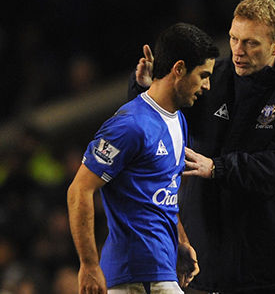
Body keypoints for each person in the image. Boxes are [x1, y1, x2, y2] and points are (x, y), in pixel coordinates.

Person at [129, 0, 275, 294]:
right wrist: (149, 89)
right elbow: (155, 124)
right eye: (234, 38)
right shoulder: (212, 77)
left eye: (251, 43)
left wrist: (218, 168)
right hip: (209, 261)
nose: (238, 50)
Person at [67, 22, 219, 294]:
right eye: (203, 75)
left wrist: (180, 241)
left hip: (160, 271)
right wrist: (89, 265)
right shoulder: (129, 125)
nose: (207, 85)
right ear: (179, 69)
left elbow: (163, 193)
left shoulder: (179, 121)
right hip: (134, 278)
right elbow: (79, 190)